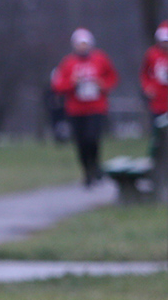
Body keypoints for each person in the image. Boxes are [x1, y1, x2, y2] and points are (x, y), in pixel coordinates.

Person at [51, 28, 119, 187]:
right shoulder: (68, 63)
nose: (82, 47)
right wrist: (72, 83)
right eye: (79, 44)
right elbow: (58, 85)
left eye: (85, 44)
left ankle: (95, 165)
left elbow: (113, 78)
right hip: (76, 109)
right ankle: (87, 171)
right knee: (81, 141)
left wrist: (103, 84)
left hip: (96, 107)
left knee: (92, 138)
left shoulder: (100, 59)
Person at [140, 20, 168, 163]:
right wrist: (147, 88)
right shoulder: (152, 54)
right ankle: (156, 159)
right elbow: (144, 74)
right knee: (157, 131)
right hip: (157, 100)